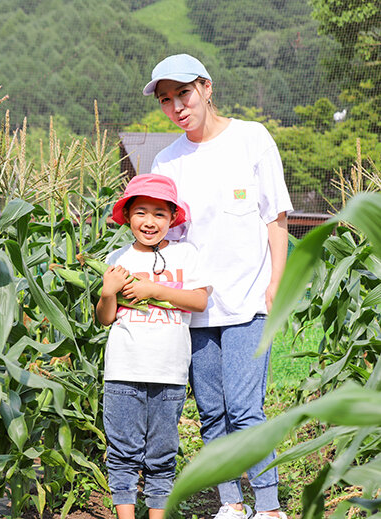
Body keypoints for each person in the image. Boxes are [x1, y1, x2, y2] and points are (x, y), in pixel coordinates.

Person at [144, 53, 293, 519]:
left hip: (249, 300)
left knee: (246, 410)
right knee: (211, 411)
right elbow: (163, 236)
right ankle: (230, 503)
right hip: (196, 307)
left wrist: (278, 283)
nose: (177, 107)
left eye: (183, 94)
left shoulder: (252, 139)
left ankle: (267, 507)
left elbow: (276, 218)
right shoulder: (167, 161)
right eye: (166, 100)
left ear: (207, 88)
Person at [97, 174, 210, 519]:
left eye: (160, 214)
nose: (150, 221)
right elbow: (104, 318)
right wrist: (107, 291)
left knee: (162, 452)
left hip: (169, 371)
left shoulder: (186, 254)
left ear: (173, 218)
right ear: (128, 216)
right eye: (141, 212)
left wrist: (154, 291)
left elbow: (199, 301)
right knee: (122, 451)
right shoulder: (118, 258)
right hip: (123, 370)